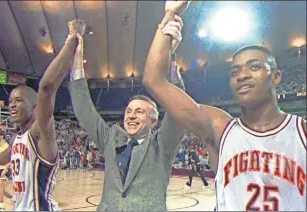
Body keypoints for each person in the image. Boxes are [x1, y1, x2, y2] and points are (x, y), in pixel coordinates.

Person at [143, 1, 306, 211]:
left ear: (275, 77)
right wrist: (169, 16)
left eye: (254, 67)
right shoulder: (219, 128)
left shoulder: (301, 132)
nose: (243, 76)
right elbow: (154, 81)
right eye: (235, 72)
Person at [68, 19, 185, 211]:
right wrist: (77, 56)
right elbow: (84, 110)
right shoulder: (111, 139)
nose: (131, 116)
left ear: (154, 121)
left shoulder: (161, 146)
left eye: (139, 112)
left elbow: (178, 109)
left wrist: (170, 56)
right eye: (128, 111)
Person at [0, 21, 82, 210]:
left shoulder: (40, 132)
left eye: (19, 100)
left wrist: (72, 40)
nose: (12, 104)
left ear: (35, 106)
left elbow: (46, 88)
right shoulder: (16, 140)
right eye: (11, 101)